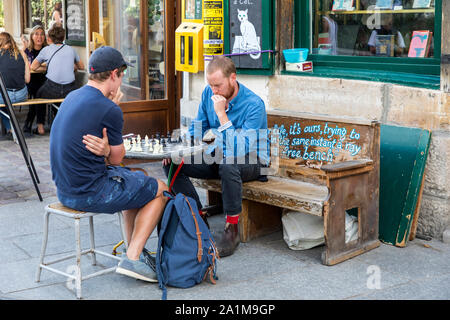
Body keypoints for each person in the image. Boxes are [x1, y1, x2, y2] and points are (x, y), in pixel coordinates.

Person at [50, 46, 168, 282]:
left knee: (139, 175)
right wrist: (114, 111)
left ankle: (130, 247)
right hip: (89, 194)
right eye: (122, 74)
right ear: (114, 74)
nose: (122, 80)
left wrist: (104, 150)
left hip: (65, 191)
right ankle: (133, 257)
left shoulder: (73, 96)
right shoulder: (109, 109)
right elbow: (116, 159)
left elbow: (106, 155)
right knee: (162, 190)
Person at [162, 56, 268, 257]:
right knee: (173, 164)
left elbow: (240, 149)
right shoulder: (208, 94)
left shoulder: (254, 104)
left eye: (218, 85)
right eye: (211, 85)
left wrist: (222, 115)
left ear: (232, 78)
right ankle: (198, 218)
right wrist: (178, 150)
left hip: (254, 160)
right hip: (219, 155)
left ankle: (232, 229)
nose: (214, 91)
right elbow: (197, 128)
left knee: (229, 164)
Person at [31, 24, 84, 129]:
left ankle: (40, 126)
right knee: (64, 100)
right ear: (63, 38)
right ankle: (65, 123)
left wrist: (46, 64)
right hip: (70, 89)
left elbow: (33, 66)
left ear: (49, 38)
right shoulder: (71, 49)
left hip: (52, 89)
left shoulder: (46, 50)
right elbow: (81, 67)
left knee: (38, 95)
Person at [0, 32, 31, 140]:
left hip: (5, 96)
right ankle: (11, 128)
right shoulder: (22, 53)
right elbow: (27, 80)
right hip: (22, 94)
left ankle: (10, 128)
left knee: (3, 102)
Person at [22, 25, 48, 135]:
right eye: (36, 34)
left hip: (46, 81)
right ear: (32, 36)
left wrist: (37, 66)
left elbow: (50, 65)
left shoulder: (47, 50)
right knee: (37, 93)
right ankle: (39, 125)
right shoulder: (27, 51)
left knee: (39, 93)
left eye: (42, 34)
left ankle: (29, 123)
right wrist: (41, 66)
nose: (39, 37)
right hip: (30, 82)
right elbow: (24, 66)